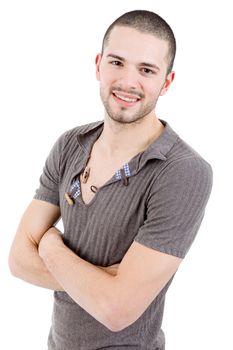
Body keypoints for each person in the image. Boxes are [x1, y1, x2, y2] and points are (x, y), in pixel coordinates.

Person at [8, 9, 213, 350]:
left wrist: (49, 244)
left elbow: (117, 309)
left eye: (146, 70)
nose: (128, 82)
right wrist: (104, 282)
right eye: (117, 62)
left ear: (166, 82)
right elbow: (17, 260)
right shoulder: (70, 145)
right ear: (98, 64)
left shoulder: (183, 171)